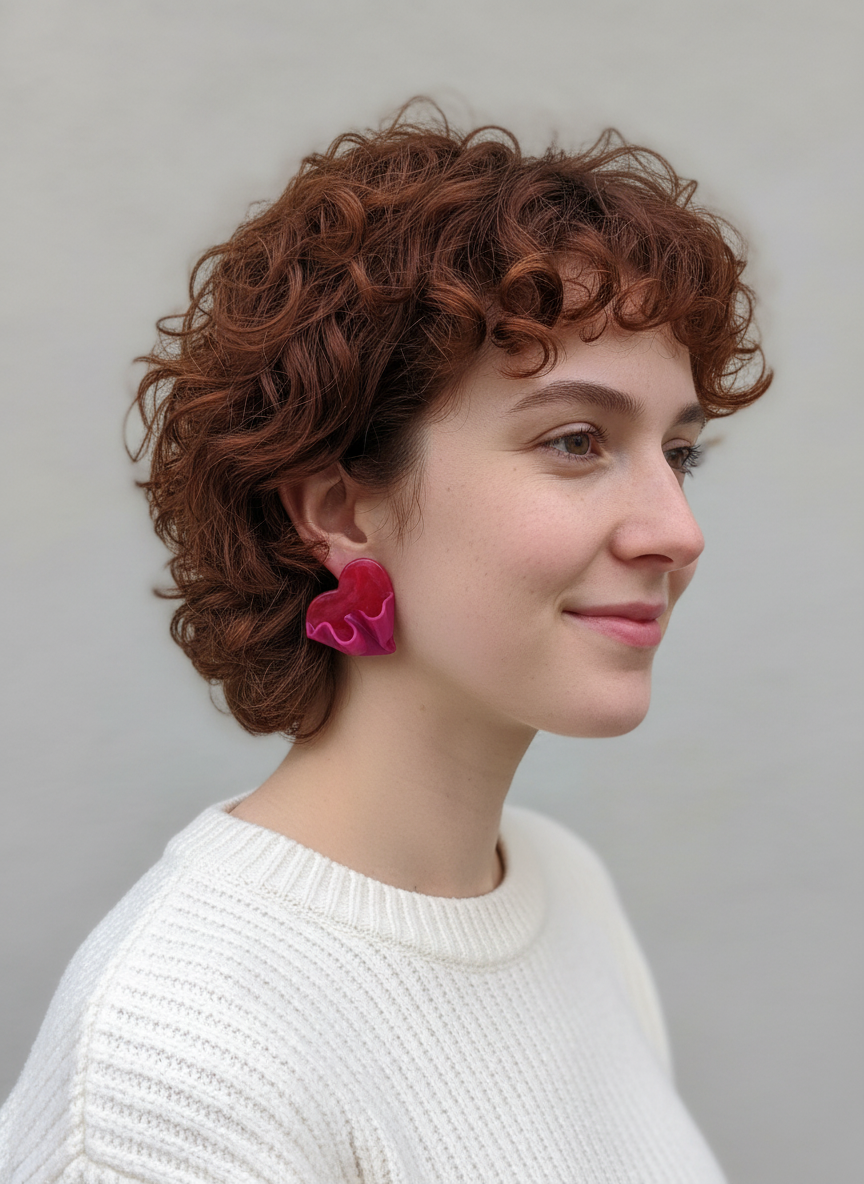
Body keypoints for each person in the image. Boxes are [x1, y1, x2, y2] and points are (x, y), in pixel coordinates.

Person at [0, 104, 771, 1182]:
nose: (677, 531)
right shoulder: (172, 1067)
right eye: (576, 439)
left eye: (677, 453)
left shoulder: (563, 889)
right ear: (340, 511)